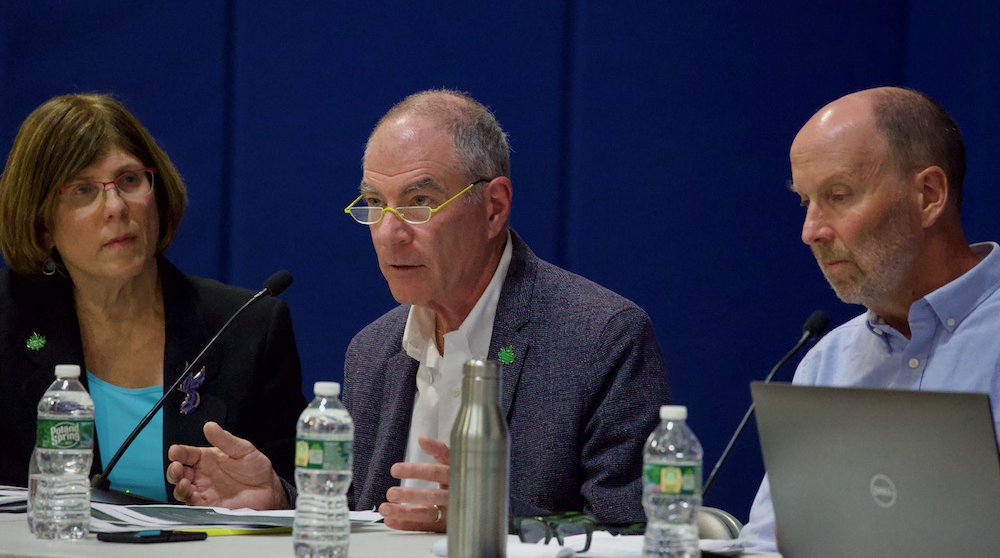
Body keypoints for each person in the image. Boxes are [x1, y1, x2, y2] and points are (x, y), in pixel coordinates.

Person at [167, 89, 671, 530]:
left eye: (418, 201)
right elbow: (362, 520)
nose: (390, 232)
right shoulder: (373, 351)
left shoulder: (600, 338)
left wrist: (493, 518)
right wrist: (280, 502)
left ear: (493, 207)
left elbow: (633, 531)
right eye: (373, 203)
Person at [0, 93, 306, 503]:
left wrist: (278, 496)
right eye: (83, 190)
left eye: (129, 180)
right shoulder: (7, 322)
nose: (115, 206)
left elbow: (319, 500)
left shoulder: (247, 328)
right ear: (41, 226)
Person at [740, 86, 1000, 551]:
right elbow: (765, 545)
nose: (811, 231)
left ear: (928, 194)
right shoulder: (826, 362)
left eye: (838, 195)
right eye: (805, 201)